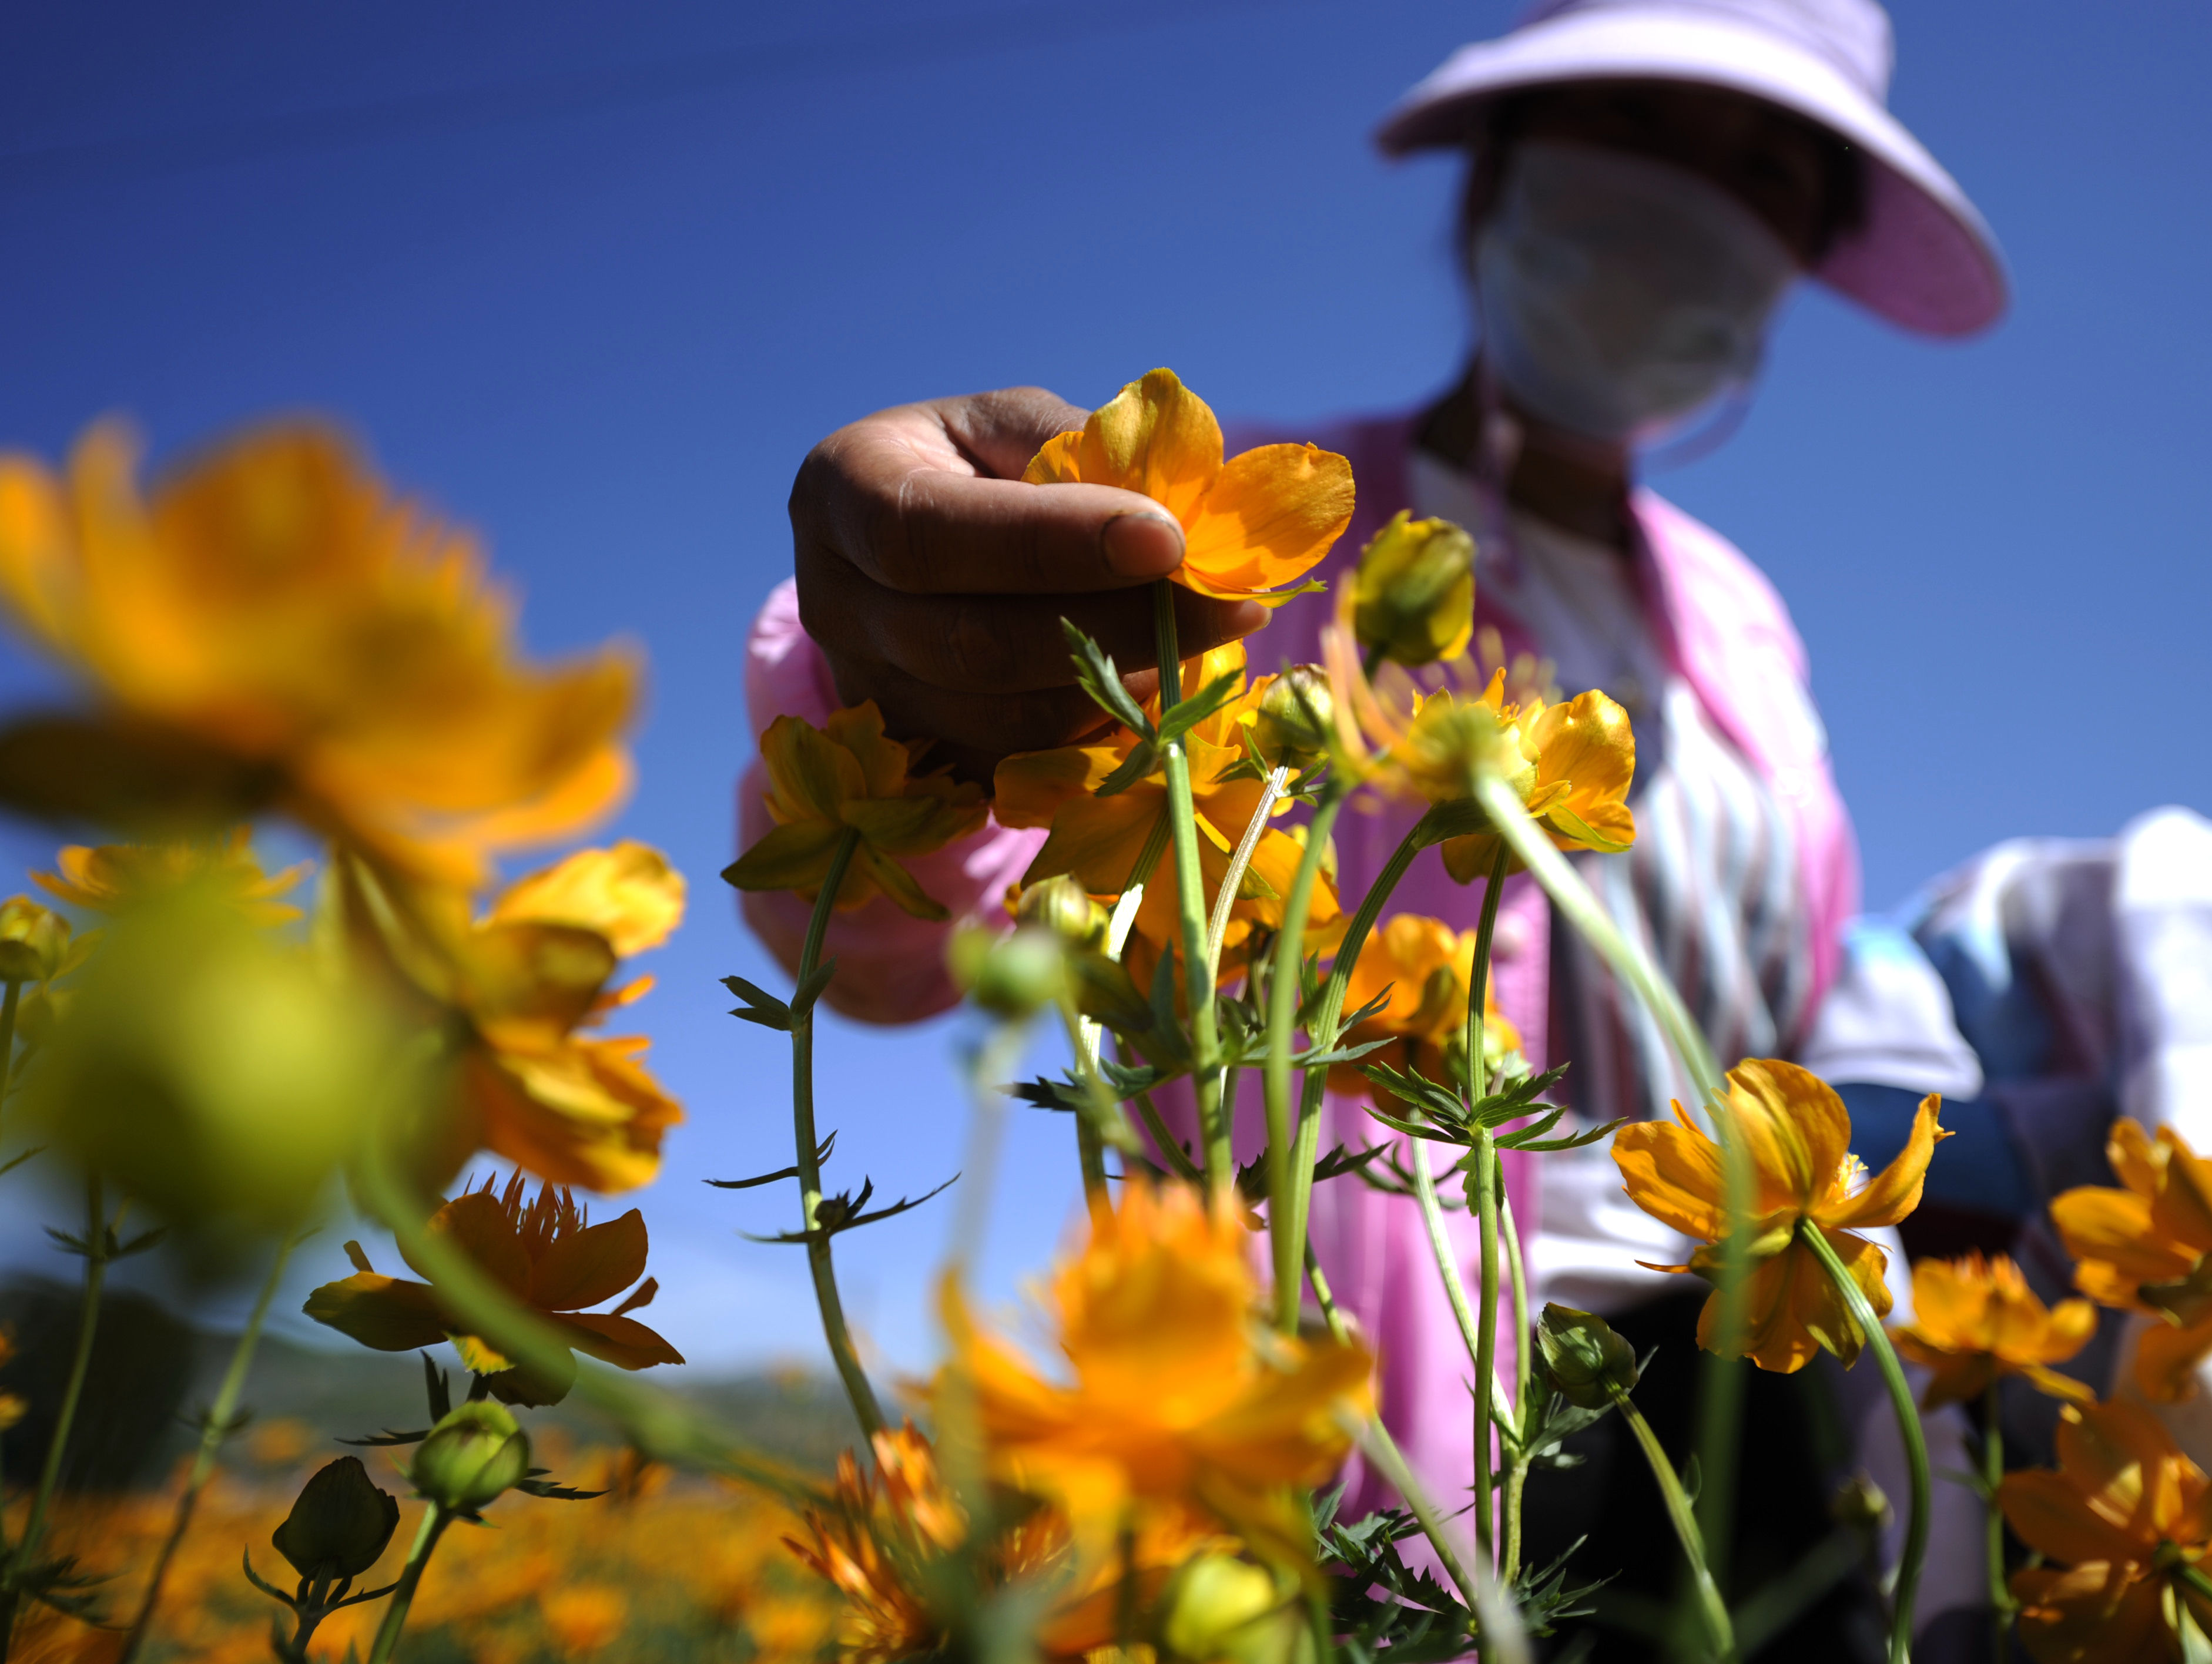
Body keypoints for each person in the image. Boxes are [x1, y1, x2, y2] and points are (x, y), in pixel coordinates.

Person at [739, 1, 2005, 1654]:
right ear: (1496, 178)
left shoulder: (1748, 621)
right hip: (1358, 1412)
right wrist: (897, 681)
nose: (1694, 199)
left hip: (1741, 1406)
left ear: (1800, 259)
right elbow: (899, 953)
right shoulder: (1229, 535)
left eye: (1765, 168)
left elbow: (1791, 985)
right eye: (1642, 126)